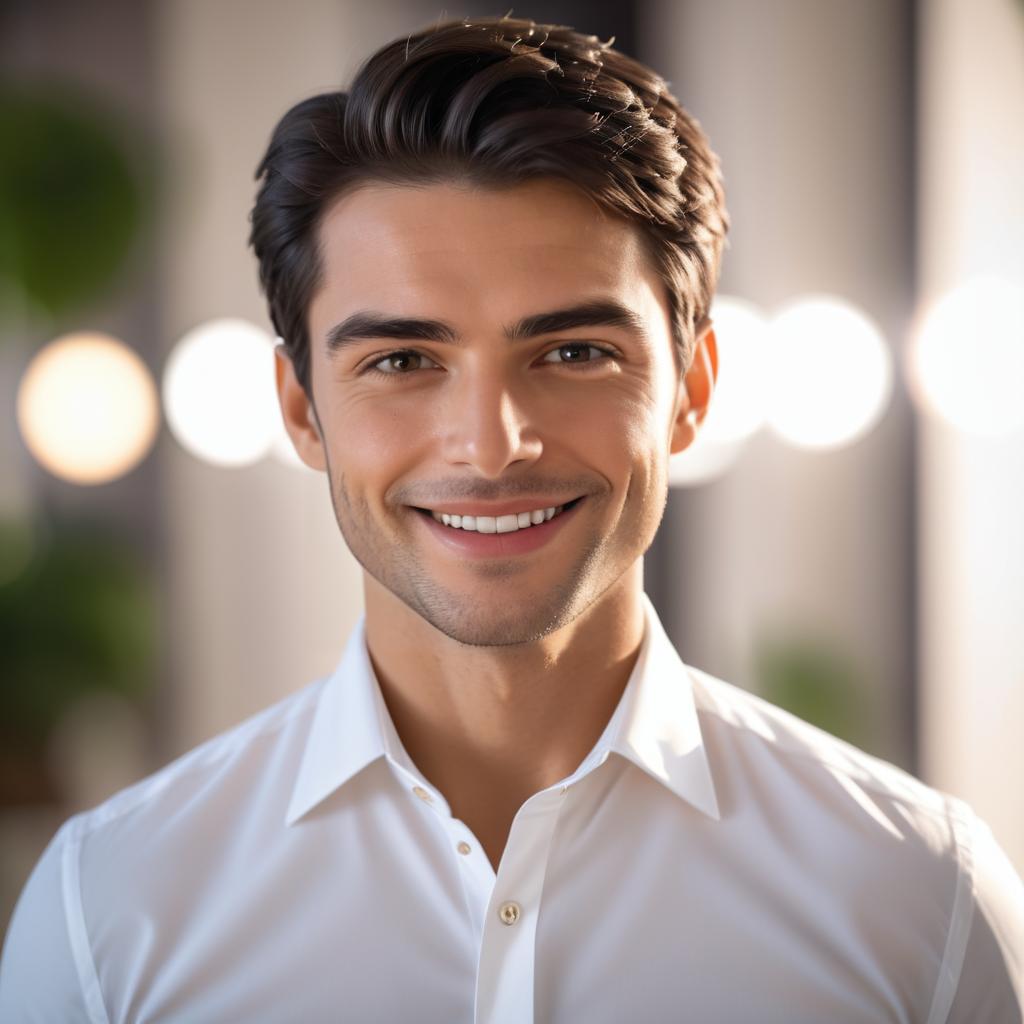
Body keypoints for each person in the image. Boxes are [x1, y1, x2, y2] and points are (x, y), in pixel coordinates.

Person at [2, 13, 1022, 1022]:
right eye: (402, 361)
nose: (492, 446)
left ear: (692, 390)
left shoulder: (919, 898)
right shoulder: (111, 907)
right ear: (301, 408)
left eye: (573, 351)